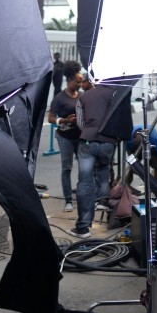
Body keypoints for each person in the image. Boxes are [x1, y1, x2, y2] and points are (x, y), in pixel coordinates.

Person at [69, 83, 119, 239]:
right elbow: (119, 117)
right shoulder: (115, 94)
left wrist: (89, 131)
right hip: (108, 141)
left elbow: (80, 122)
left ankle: (83, 228)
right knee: (103, 168)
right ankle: (102, 199)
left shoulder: (84, 96)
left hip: (88, 141)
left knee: (84, 182)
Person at [48, 60, 83, 212]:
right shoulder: (59, 98)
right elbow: (50, 118)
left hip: (80, 137)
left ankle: (83, 195)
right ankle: (68, 200)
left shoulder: (81, 96)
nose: (80, 85)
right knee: (67, 168)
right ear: (69, 80)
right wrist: (64, 120)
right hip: (65, 137)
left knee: (85, 167)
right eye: (77, 82)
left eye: (81, 82)